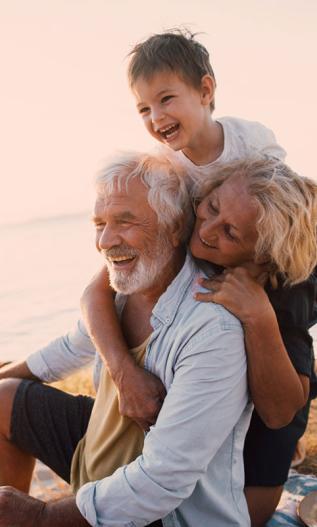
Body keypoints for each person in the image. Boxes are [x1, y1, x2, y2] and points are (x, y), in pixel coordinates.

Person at [79, 29, 317, 526]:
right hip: (224, 262)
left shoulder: (252, 139)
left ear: (206, 91)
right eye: (143, 109)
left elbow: (286, 202)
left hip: (274, 254)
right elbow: (98, 289)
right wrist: (122, 370)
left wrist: (262, 307)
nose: (156, 117)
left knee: (282, 375)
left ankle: (277, 474)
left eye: (167, 100)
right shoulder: (168, 171)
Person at [0, 151, 252, 527]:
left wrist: (40, 516)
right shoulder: (124, 288)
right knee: (4, 397)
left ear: (174, 225)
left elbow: (161, 481)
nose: (105, 240)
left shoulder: (212, 328)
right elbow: (72, 346)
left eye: (124, 221)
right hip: (99, 457)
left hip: (165, 513)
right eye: (99, 222)